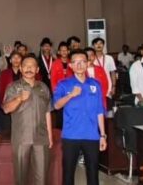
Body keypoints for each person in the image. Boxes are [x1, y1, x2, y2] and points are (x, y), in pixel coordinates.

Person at [53, 50, 107, 185]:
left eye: (83, 61)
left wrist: (103, 135)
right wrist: (71, 95)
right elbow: (56, 106)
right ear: (70, 65)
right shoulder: (63, 84)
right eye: (75, 62)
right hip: (71, 135)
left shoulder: (95, 84)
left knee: (93, 174)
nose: (79, 65)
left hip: (92, 135)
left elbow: (99, 111)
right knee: (68, 173)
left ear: (88, 63)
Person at [3, 55, 53, 185]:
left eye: (32, 66)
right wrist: (19, 98)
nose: (29, 69)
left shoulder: (43, 87)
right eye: (25, 66)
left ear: (37, 69)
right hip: (21, 139)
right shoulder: (13, 87)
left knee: (42, 178)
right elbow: (6, 109)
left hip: (41, 138)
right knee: (21, 177)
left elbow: (47, 112)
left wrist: (50, 136)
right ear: (20, 68)